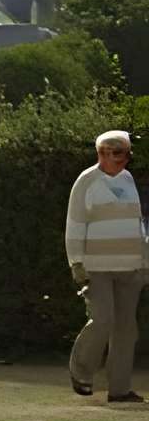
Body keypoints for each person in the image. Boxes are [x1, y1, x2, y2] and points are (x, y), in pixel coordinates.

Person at [66, 127, 144, 402]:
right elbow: (75, 225)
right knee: (102, 320)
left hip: (130, 267)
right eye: (117, 153)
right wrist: (76, 262)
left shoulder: (128, 179)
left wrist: (144, 261)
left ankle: (120, 389)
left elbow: (137, 224)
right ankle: (81, 371)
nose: (123, 158)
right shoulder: (87, 181)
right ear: (101, 153)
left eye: (126, 153)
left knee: (126, 329)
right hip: (96, 266)